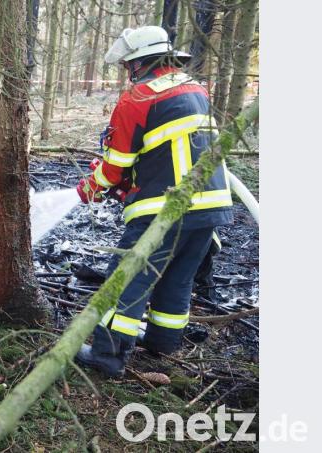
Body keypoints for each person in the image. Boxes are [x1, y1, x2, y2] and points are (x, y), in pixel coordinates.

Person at [73, 25, 233, 378]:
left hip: (165, 210)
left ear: (138, 63)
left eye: (128, 65)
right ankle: (162, 342)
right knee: (177, 278)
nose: (127, 72)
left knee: (126, 281)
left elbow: (115, 166)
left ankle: (106, 356)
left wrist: (91, 186)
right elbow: (170, 151)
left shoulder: (139, 97)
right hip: (211, 207)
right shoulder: (195, 89)